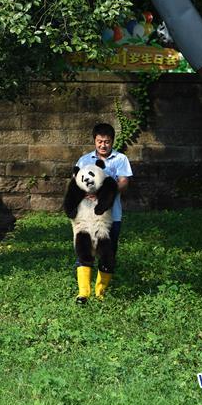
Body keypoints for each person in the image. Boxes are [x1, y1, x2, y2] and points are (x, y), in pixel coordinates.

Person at [73, 122, 133, 297]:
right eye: (100, 141)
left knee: (108, 253)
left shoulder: (120, 159)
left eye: (107, 141)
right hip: (86, 217)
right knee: (84, 251)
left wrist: (105, 192)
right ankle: (83, 292)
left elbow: (124, 183)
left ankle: (100, 292)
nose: (103, 145)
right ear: (94, 141)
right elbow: (75, 182)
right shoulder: (84, 160)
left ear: (112, 141)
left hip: (111, 216)